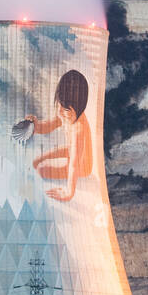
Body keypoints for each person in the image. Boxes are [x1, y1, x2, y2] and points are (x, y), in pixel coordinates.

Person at [24, 69, 92, 202]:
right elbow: (47, 126)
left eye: (65, 109)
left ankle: (42, 167)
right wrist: (35, 126)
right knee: (39, 159)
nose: (60, 111)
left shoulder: (78, 129)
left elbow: (74, 164)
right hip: (72, 151)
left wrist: (69, 192)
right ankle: (40, 159)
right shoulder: (66, 115)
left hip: (81, 166)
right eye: (59, 104)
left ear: (79, 109)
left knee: (42, 170)